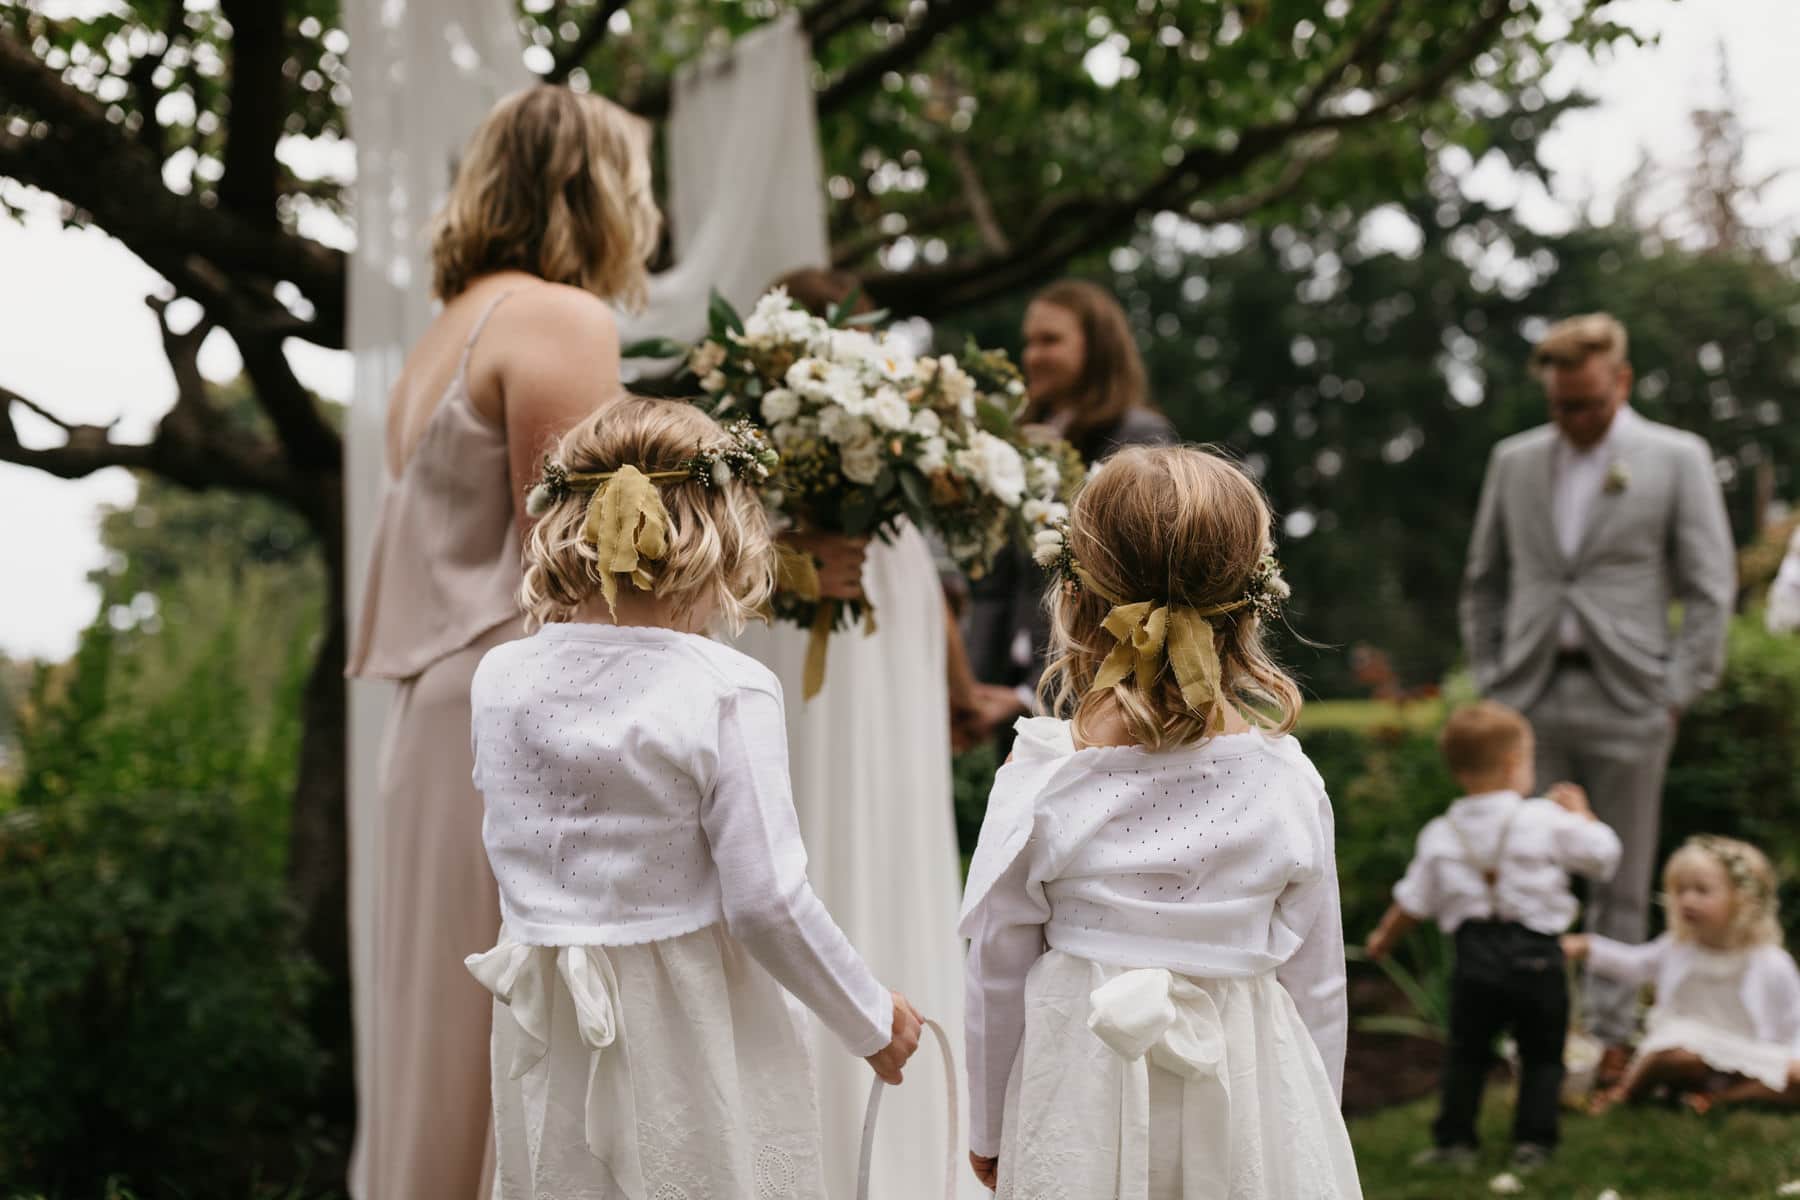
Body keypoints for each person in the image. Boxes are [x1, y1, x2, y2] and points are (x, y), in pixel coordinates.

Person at [463, 398, 922, 1197]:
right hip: (686, 1018)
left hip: (550, 1016)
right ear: (722, 527)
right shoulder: (724, 686)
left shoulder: (501, 676)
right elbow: (767, 902)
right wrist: (870, 1017)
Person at [344, 85, 660, 1200]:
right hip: (518, 715)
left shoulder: (447, 330)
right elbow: (576, 568)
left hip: (436, 717)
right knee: (519, 1030)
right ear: (598, 189)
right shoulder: (561, 320)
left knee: (441, 1033)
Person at [961, 445, 1361, 1198]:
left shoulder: (1043, 778)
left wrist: (988, 1127)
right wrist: (1313, 1126)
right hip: (1249, 1092)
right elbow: (1318, 983)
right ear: (1250, 599)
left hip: (1081, 1085)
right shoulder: (1288, 781)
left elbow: (997, 970)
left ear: (1078, 593)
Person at [731, 272, 980, 1197]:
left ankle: (908, 1147)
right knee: (816, 832)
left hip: (887, 608)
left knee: (889, 832)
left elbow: (939, 600)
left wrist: (960, 690)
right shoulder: (750, 482)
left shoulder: (896, 483)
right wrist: (789, 558)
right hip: (808, 628)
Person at [1460, 312, 1736, 1076]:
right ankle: (1535, 1037)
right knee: (1524, 871)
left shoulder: (1677, 458)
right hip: (1528, 696)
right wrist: (1492, 682)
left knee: (1622, 870)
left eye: (1587, 403)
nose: (1574, 418)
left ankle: (1612, 1037)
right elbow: (1483, 583)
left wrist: (1676, 690)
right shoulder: (1514, 461)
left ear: (1622, 381)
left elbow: (1710, 588)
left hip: (1631, 696)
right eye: (1560, 405)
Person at [1366, 701, 1622, 1169]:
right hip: (1538, 956)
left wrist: (1384, 938)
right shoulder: (1543, 818)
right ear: (1512, 763)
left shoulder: (1441, 832)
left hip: (1474, 959)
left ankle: (1454, 1142)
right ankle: (1533, 1144)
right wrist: (1584, 815)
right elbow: (1602, 856)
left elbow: (1413, 901)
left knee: (1467, 1053)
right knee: (1542, 1054)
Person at [962, 279, 1177, 746]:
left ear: (1097, 349)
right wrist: (973, 692)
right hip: (1017, 693)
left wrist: (1031, 694)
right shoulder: (1020, 439)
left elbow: (1129, 588)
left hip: (1096, 697)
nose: (1032, 355)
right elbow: (997, 581)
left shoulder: (1138, 437)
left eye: (1050, 340)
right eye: (1029, 342)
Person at [1566, 836, 1800, 1114]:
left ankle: (1717, 1100)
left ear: (1742, 898)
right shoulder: (1678, 947)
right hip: (1686, 1043)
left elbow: (1794, 1022)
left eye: (1701, 890)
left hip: (1743, 1050)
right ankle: (1625, 1093)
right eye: (1680, 890)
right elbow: (1634, 964)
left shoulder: (1771, 962)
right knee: (1677, 1056)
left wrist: (1791, 1059)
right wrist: (1588, 946)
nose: (1687, 900)